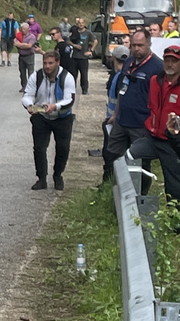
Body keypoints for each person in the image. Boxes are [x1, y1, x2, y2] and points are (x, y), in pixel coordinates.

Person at [102, 29, 162, 183]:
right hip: (122, 120)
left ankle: (139, 196)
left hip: (141, 124)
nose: (136, 49)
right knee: (112, 155)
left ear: (149, 44)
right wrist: (115, 114)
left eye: (140, 45)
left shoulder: (157, 67)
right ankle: (110, 187)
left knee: (140, 162)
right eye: (133, 45)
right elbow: (123, 89)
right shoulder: (128, 62)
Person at [128, 45, 180, 203]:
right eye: (167, 60)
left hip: (172, 143)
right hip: (152, 138)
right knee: (130, 156)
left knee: (174, 187)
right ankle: (135, 200)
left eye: (174, 61)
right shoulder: (154, 81)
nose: (170, 64)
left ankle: (173, 223)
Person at [22, 50, 76, 190]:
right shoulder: (37, 76)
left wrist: (55, 106)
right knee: (39, 148)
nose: (47, 66)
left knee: (63, 148)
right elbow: (28, 94)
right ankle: (41, 178)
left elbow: (69, 100)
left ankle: (58, 175)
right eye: (45, 63)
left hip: (62, 117)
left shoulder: (67, 77)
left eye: (50, 63)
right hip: (42, 116)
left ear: (57, 63)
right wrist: (28, 105)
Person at [69, 17, 95, 95]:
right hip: (74, 56)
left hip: (84, 57)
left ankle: (84, 89)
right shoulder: (74, 32)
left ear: (84, 24)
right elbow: (68, 40)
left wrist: (91, 51)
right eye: (79, 23)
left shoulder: (88, 32)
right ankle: (71, 89)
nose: (81, 24)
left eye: (82, 23)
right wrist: (74, 45)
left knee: (84, 75)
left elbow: (95, 41)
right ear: (77, 24)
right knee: (73, 74)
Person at [14, 20, 40, 89]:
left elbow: (29, 46)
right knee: (22, 72)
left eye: (24, 29)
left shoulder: (32, 36)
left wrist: (21, 45)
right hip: (21, 56)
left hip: (29, 55)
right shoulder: (18, 36)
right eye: (22, 28)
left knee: (30, 72)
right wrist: (24, 44)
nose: (23, 30)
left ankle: (31, 86)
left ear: (28, 29)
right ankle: (24, 86)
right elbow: (15, 44)